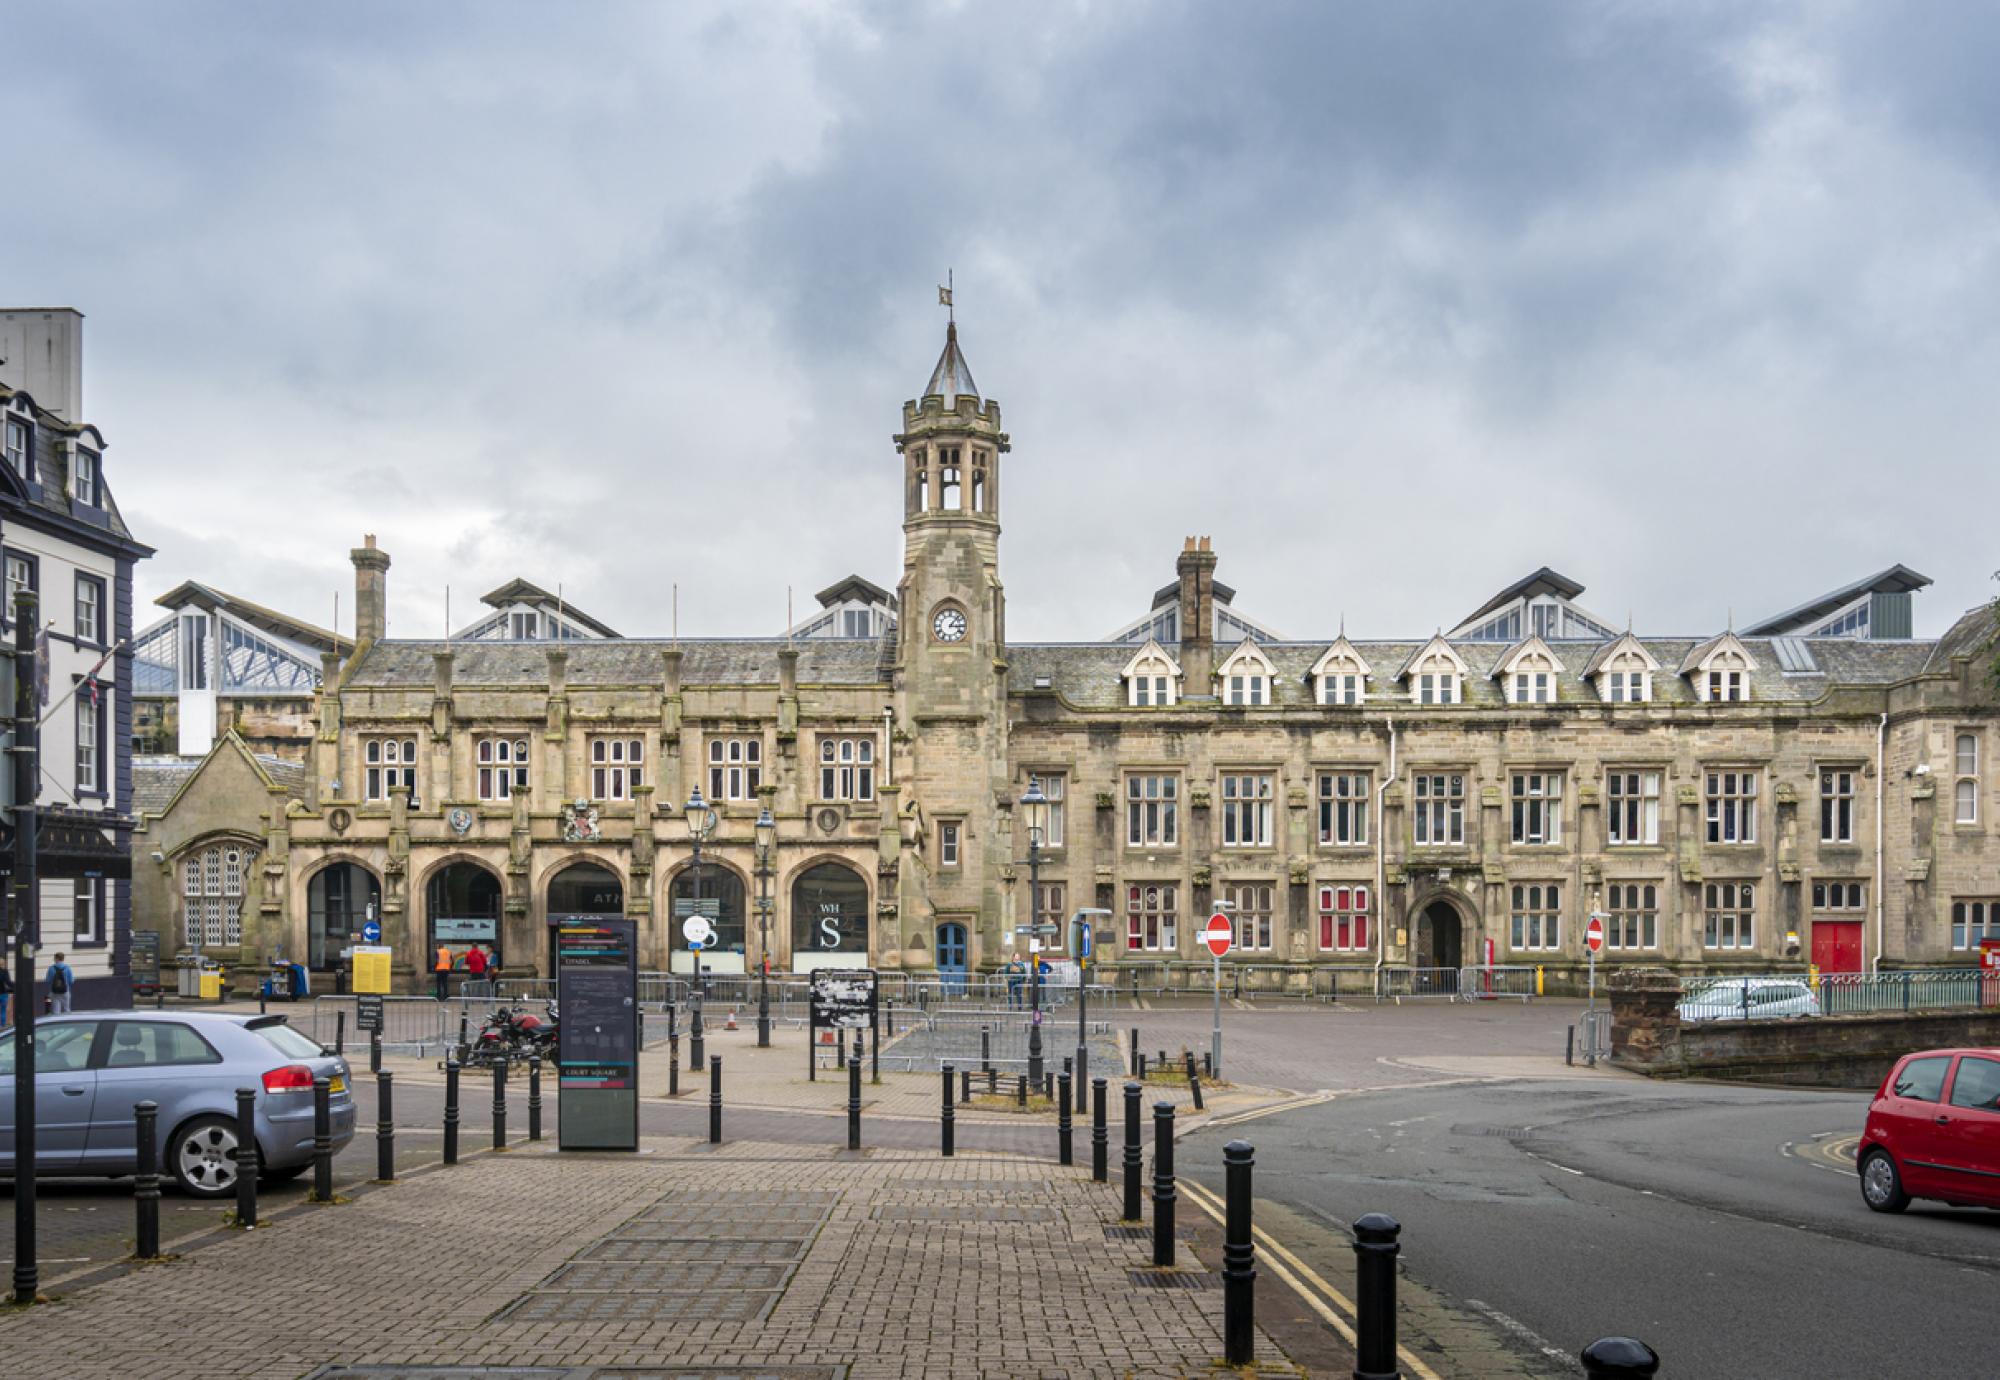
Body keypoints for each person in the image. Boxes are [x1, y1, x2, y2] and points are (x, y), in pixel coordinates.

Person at [0, 962, 11, 1027]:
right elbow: (8, 982)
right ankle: (2, 1025)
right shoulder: (5, 971)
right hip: (3, 993)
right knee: (3, 1010)